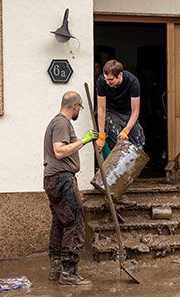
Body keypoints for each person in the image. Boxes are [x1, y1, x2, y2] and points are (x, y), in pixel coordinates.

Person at [43, 91, 98, 285]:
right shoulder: (61, 123)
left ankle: (57, 268)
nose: (79, 112)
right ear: (75, 106)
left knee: (60, 222)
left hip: (53, 180)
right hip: (62, 180)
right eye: (80, 108)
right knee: (74, 223)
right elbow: (59, 151)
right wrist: (83, 141)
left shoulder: (56, 122)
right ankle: (69, 272)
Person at [95, 59, 146, 154]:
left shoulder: (132, 82)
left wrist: (126, 130)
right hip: (112, 111)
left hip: (129, 113)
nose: (107, 82)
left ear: (120, 75)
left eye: (110, 80)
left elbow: (135, 112)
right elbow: (101, 110)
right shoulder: (102, 82)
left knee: (138, 145)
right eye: (106, 79)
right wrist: (101, 135)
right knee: (116, 143)